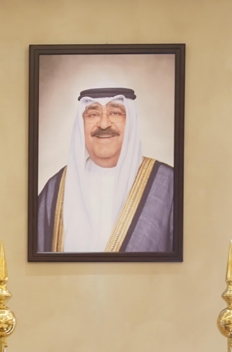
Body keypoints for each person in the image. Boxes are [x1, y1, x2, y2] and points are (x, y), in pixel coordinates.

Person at [36, 87, 175, 254]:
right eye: (93, 114)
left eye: (115, 113)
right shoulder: (56, 189)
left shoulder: (168, 185)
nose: (103, 124)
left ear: (131, 121)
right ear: (81, 124)